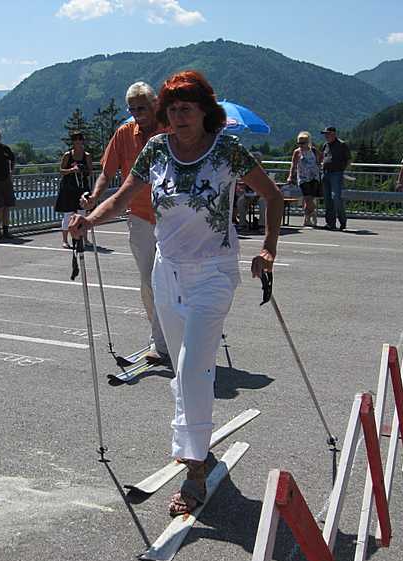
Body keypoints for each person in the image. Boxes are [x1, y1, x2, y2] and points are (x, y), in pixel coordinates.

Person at [69, 70, 282, 516]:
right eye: (172, 109)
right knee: (182, 370)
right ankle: (194, 441)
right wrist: (89, 219)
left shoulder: (228, 150)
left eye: (187, 108)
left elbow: (273, 197)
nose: (179, 116)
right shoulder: (155, 149)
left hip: (213, 274)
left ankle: (195, 467)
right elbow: (123, 198)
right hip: (167, 273)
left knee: (192, 368)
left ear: (205, 111)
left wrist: (267, 247)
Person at [84, 81, 169, 364]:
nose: (137, 114)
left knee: (170, 280)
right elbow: (107, 172)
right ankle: (160, 339)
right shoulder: (124, 133)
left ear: (155, 105)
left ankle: (167, 339)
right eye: (132, 109)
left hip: (173, 218)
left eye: (142, 108)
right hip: (140, 216)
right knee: (148, 281)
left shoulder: (170, 129)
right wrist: (94, 196)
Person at [55, 131, 93, 248]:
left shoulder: (87, 155)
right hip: (68, 188)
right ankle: (65, 240)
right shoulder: (68, 155)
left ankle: (84, 239)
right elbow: (61, 170)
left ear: (82, 141)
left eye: (80, 139)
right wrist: (72, 170)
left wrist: (83, 170)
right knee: (68, 215)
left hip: (82, 188)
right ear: (73, 142)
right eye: (75, 140)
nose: (78, 142)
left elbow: (90, 171)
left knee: (82, 214)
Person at [287, 131, 322, 227]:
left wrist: (318, 164)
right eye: (299, 143)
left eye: (303, 143)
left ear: (308, 142)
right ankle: (313, 213)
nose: (301, 145)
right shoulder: (297, 152)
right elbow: (293, 165)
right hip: (303, 178)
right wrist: (290, 176)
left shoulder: (313, 151)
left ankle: (307, 219)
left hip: (314, 177)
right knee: (307, 198)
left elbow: (321, 157)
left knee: (310, 199)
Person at [320, 126, 350, 230]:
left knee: (336, 198)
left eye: (328, 134)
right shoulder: (325, 145)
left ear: (333, 134)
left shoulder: (342, 144)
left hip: (336, 174)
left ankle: (342, 221)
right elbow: (323, 157)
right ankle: (330, 223)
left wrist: (342, 170)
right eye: (325, 134)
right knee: (327, 199)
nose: (326, 136)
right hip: (325, 173)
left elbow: (348, 159)